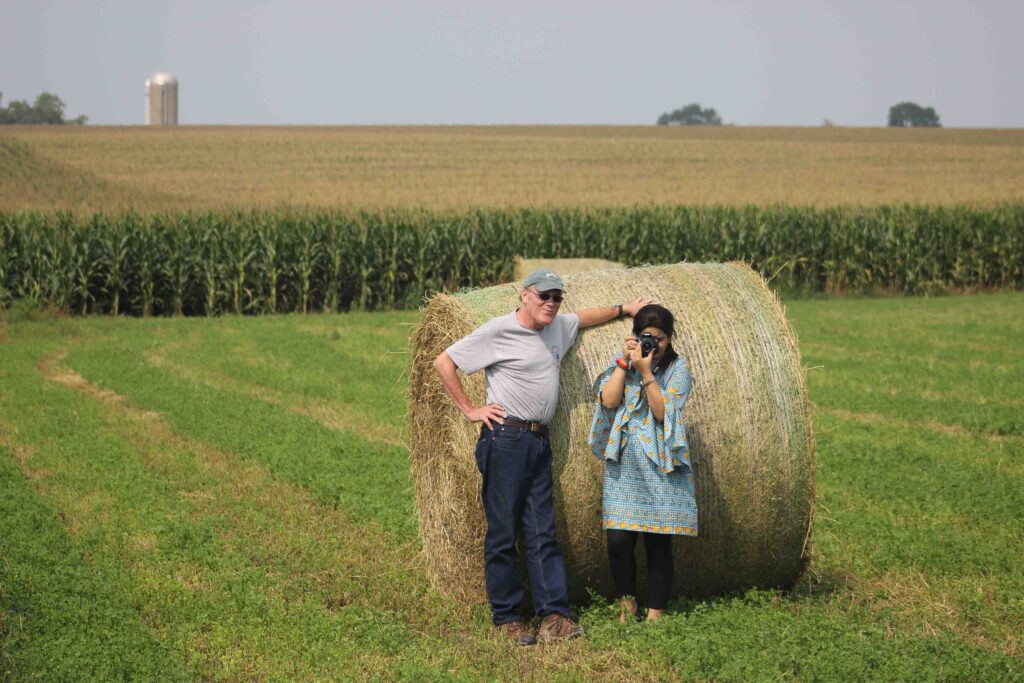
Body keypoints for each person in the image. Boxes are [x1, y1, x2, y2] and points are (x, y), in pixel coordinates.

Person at [433, 269, 651, 645]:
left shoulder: (556, 327)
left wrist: (623, 308)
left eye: (557, 298)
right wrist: (471, 410)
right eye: (544, 296)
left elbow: (583, 318)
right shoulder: (499, 330)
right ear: (525, 295)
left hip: (537, 442)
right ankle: (507, 619)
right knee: (503, 531)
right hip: (505, 440)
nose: (551, 303)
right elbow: (443, 362)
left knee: (542, 533)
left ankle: (555, 617)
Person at [587, 304, 695, 623]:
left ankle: (656, 611)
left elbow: (664, 413)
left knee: (658, 539)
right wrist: (625, 362)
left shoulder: (679, 368)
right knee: (619, 539)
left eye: (659, 339)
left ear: (670, 338)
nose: (653, 345)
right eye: (646, 338)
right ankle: (627, 604)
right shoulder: (626, 362)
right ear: (635, 337)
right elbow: (608, 401)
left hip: (661, 460)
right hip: (625, 461)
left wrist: (647, 373)